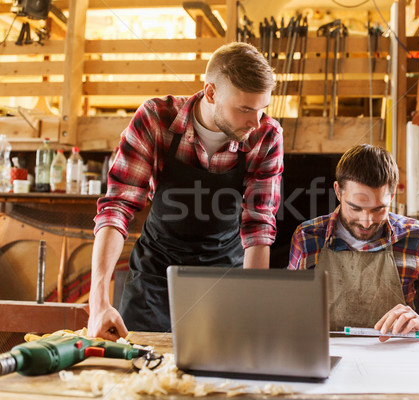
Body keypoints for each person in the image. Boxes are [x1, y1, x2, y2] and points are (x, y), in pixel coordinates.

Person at [88, 42, 283, 340]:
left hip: (225, 278)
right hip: (154, 278)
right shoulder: (156, 119)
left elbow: (258, 225)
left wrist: (251, 303)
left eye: (261, 109)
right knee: (139, 373)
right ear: (211, 92)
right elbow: (117, 207)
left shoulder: (266, 136)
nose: (255, 122)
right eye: (244, 108)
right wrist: (99, 299)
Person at [288, 144, 419, 338]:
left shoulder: (415, 237)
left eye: (378, 209)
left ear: (391, 196)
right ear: (338, 192)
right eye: (355, 208)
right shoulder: (308, 237)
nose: (366, 222)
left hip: (396, 361)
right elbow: (288, 311)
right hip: (326, 358)